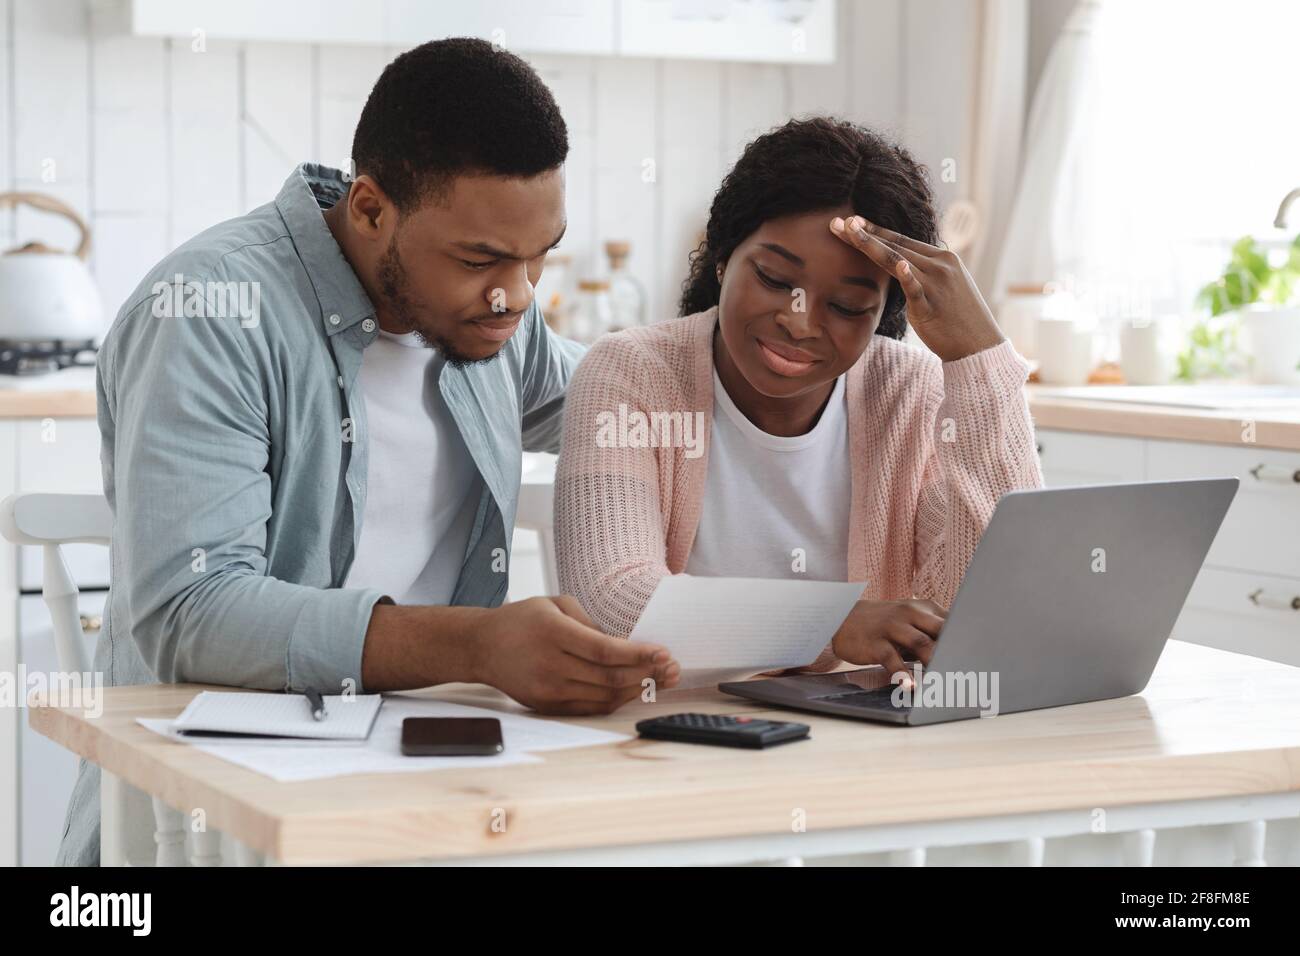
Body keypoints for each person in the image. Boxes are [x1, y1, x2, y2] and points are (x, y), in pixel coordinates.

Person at [59, 38, 678, 866]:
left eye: (540, 257)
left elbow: (642, 410)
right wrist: (477, 644)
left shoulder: (494, 318)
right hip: (210, 823)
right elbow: (189, 612)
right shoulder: (209, 314)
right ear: (370, 208)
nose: (519, 296)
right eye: (482, 259)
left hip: (421, 799)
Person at [555, 117, 1042, 678]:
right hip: (675, 731)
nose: (799, 322)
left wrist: (977, 360)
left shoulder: (913, 395)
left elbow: (987, 609)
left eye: (846, 307)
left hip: (855, 743)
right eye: (773, 278)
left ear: (882, 315)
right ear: (723, 256)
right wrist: (831, 623)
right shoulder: (631, 374)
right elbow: (608, 600)